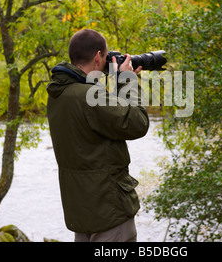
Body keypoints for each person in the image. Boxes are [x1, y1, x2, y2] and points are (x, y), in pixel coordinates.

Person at [46, 29, 149, 242]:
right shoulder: (90, 96)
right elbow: (138, 123)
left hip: (83, 211)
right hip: (109, 211)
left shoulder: (59, 93)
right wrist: (127, 79)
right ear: (97, 56)